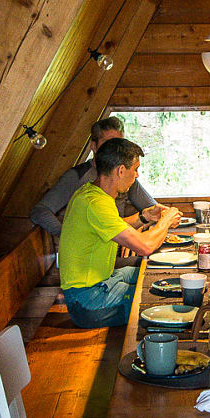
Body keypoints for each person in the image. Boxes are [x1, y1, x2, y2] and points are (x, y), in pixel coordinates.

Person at [59, 137, 182, 328]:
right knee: (157, 298)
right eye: (135, 169)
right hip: (87, 300)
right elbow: (145, 246)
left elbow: (113, 226)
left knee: (156, 275)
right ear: (121, 170)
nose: (137, 175)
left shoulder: (91, 193)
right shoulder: (96, 204)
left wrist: (145, 216)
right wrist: (166, 220)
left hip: (101, 282)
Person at [30, 116, 164, 236]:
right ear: (93, 146)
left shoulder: (126, 176)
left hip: (117, 242)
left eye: (119, 144)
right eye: (108, 144)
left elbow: (153, 210)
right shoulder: (78, 177)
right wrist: (69, 234)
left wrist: (139, 227)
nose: (114, 149)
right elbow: (40, 211)